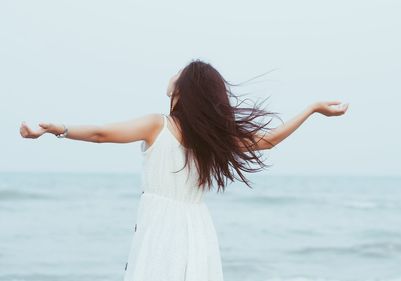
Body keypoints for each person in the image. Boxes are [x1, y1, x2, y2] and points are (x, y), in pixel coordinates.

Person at [19, 59, 349, 281]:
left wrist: (58, 129)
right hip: (197, 228)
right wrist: (312, 110)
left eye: (178, 73)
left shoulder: (157, 125)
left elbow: (102, 134)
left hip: (163, 226)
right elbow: (269, 141)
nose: (172, 75)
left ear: (183, 88)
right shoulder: (210, 139)